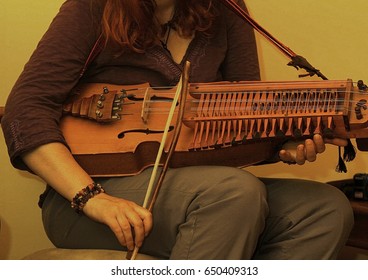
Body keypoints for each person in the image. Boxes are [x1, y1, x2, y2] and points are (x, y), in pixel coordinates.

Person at [2, 0, 353, 259]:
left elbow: (245, 118)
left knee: (325, 208)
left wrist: (281, 147)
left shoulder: (227, 10)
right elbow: (24, 109)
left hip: (205, 187)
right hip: (86, 198)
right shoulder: (92, 7)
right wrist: (92, 198)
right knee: (234, 191)